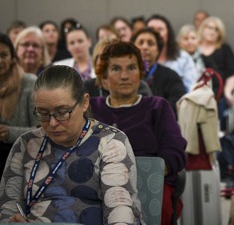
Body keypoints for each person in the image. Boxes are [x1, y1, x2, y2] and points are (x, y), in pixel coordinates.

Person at [0, 65, 142, 223]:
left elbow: (120, 210)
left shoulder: (110, 142)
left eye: (62, 112)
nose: (52, 123)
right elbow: (7, 208)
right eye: (43, 113)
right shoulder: (26, 144)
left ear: (85, 102)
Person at [89, 41, 187, 225]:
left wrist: (149, 174)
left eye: (132, 68)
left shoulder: (158, 107)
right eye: (116, 69)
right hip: (98, 184)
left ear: (141, 72)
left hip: (150, 184)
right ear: (104, 77)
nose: (125, 76)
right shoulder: (91, 108)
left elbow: (175, 150)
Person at [0, 34, 37, 172]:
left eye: (4, 55)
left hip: (22, 158)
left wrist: (9, 133)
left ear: (12, 57)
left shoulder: (30, 82)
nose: (0, 61)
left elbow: (42, 129)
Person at [197, 16, 234, 131]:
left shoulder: (225, 49)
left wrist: (227, 92)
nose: (212, 31)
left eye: (216, 30)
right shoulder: (194, 48)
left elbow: (232, 73)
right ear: (202, 28)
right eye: (209, 28)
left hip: (218, 95)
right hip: (197, 94)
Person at [132, 27, 187, 114]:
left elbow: (178, 103)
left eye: (150, 43)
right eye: (141, 43)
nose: (145, 47)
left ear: (158, 50)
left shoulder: (171, 76)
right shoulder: (125, 75)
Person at [147, 14, 197, 91]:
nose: (156, 33)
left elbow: (191, 88)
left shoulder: (184, 58)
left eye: (160, 29)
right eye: (151, 29)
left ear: (168, 33)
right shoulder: (138, 59)